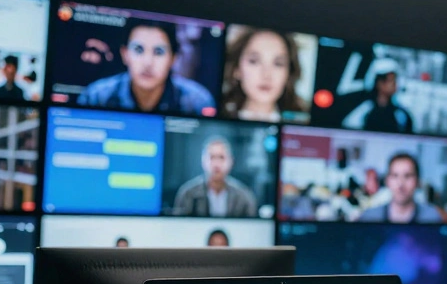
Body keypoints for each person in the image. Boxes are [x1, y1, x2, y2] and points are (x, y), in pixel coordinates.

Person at [77, 20, 216, 116]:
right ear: (125, 54)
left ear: (173, 59)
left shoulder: (198, 101)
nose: (148, 62)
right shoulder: (95, 96)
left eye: (159, 52)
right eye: (138, 50)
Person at [221, 28, 306, 122]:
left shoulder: (302, 121)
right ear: (236, 70)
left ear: (288, 73)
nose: (266, 75)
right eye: (254, 61)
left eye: (278, 63)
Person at [172, 137, 258, 217]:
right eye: (212, 157)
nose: (216, 164)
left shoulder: (244, 196)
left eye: (221, 157)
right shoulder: (188, 194)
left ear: (231, 161)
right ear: (203, 161)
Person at [356, 153, 442, 224]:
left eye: (408, 176)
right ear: (387, 181)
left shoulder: (432, 217)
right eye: (395, 176)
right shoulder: (370, 216)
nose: (401, 184)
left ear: (417, 182)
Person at [342, 58, 414, 133]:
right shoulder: (364, 111)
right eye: (390, 80)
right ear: (379, 83)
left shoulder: (401, 114)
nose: (395, 84)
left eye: (395, 80)